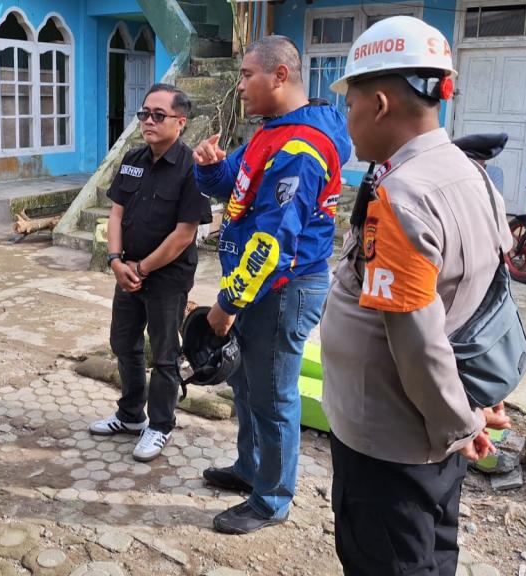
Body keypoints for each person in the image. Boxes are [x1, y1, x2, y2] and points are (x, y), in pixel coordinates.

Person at [320, 16, 513, 575]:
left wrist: (462, 425)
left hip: (393, 441)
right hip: (436, 425)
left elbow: (417, 341)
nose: (347, 120)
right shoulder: (468, 171)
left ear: (379, 104)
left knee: (391, 560)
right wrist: (474, 403)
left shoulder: (402, 195)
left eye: (350, 104)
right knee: (430, 552)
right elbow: (485, 299)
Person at [192, 36, 351, 534]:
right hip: (258, 283)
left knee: (274, 393)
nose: (239, 87)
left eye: (246, 75)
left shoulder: (301, 147)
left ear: (280, 76)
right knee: (245, 383)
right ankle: (250, 470)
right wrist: (211, 167)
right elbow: (233, 187)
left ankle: (272, 499)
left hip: (282, 287)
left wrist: (226, 304)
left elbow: (273, 241)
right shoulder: (269, 132)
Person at [88, 84, 210, 462]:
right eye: (144, 114)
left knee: (165, 354)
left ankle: (160, 425)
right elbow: (117, 213)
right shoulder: (133, 158)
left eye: (159, 115)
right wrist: (114, 261)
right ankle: (130, 415)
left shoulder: (193, 169)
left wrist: (139, 267)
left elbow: (184, 234)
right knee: (123, 342)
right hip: (127, 270)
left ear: (180, 121)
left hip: (167, 278)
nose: (149, 121)